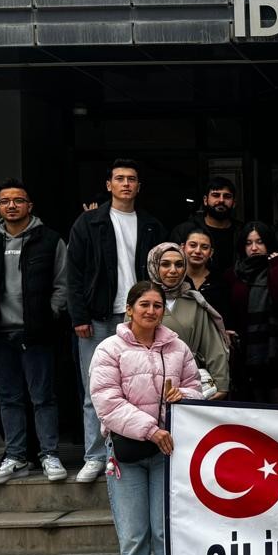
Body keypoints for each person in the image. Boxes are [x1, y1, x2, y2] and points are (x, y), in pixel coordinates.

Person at [89, 280, 206, 555]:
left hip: (166, 455)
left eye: (157, 305)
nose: (151, 311)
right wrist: (151, 430)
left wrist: (182, 395)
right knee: (134, 539)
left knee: (164, 536)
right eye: (144, 304)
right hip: (128, 455)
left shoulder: (177, 347)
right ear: (129, 309)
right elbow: (107, 402)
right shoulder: (109, 349)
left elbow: (197, 389)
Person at [66, 160, 169, 484]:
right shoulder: (89, 222)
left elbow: (161, 272)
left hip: (140, 316)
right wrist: (79, 315)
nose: (126, 184)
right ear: (109, 185)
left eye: (132, 179)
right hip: (98, 316)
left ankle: (139, 450)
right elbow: (74, 273)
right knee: (95, 389)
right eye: (120, 179)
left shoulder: (151, 225)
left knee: (142, 389)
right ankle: (95, 456)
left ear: (139, 186)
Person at [0, 178, 69, 484]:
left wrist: (50, 313)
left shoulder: (50, 240)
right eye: (5, 201)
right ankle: (15, 457)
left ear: (29, 205)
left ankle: (49, 454)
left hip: (36, 333)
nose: (11, 206)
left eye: (17, 200)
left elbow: (62, 284)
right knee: (8, 398)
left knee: (43, 397)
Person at [225, 221, 278, 404]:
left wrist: (276, 269)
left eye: (260, 242)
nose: (254, 248)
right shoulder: (233, 275)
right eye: (248, 243)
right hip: (246, 359)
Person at [147, 242, 230, 400]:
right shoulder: (142, 300)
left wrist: (221, 384)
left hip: (189, 380)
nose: (173, 270)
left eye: (179, 265)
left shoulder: (194, 302)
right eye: (165, 264)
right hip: (148, 380)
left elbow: (213, 347)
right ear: (153, 266)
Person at [173, 176, 238, 276]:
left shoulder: (241, 231)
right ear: (205, 200)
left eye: (227, 196)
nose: (221, 200)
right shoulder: (184, 230)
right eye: (216, 195)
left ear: (234, 203)